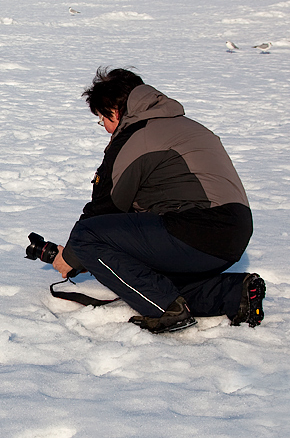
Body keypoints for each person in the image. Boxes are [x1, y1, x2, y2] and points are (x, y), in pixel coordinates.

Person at [52, 67, 265, 333]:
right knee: (151, 278)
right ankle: (233, 294)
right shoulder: (185, 127)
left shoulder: (138, 135)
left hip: (196, 228)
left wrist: (71, 255)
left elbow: (105, 208)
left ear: (114, 112)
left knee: (86, 235)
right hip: (232, 234)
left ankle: (164, 309)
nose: (105, 129)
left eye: (101, 120)